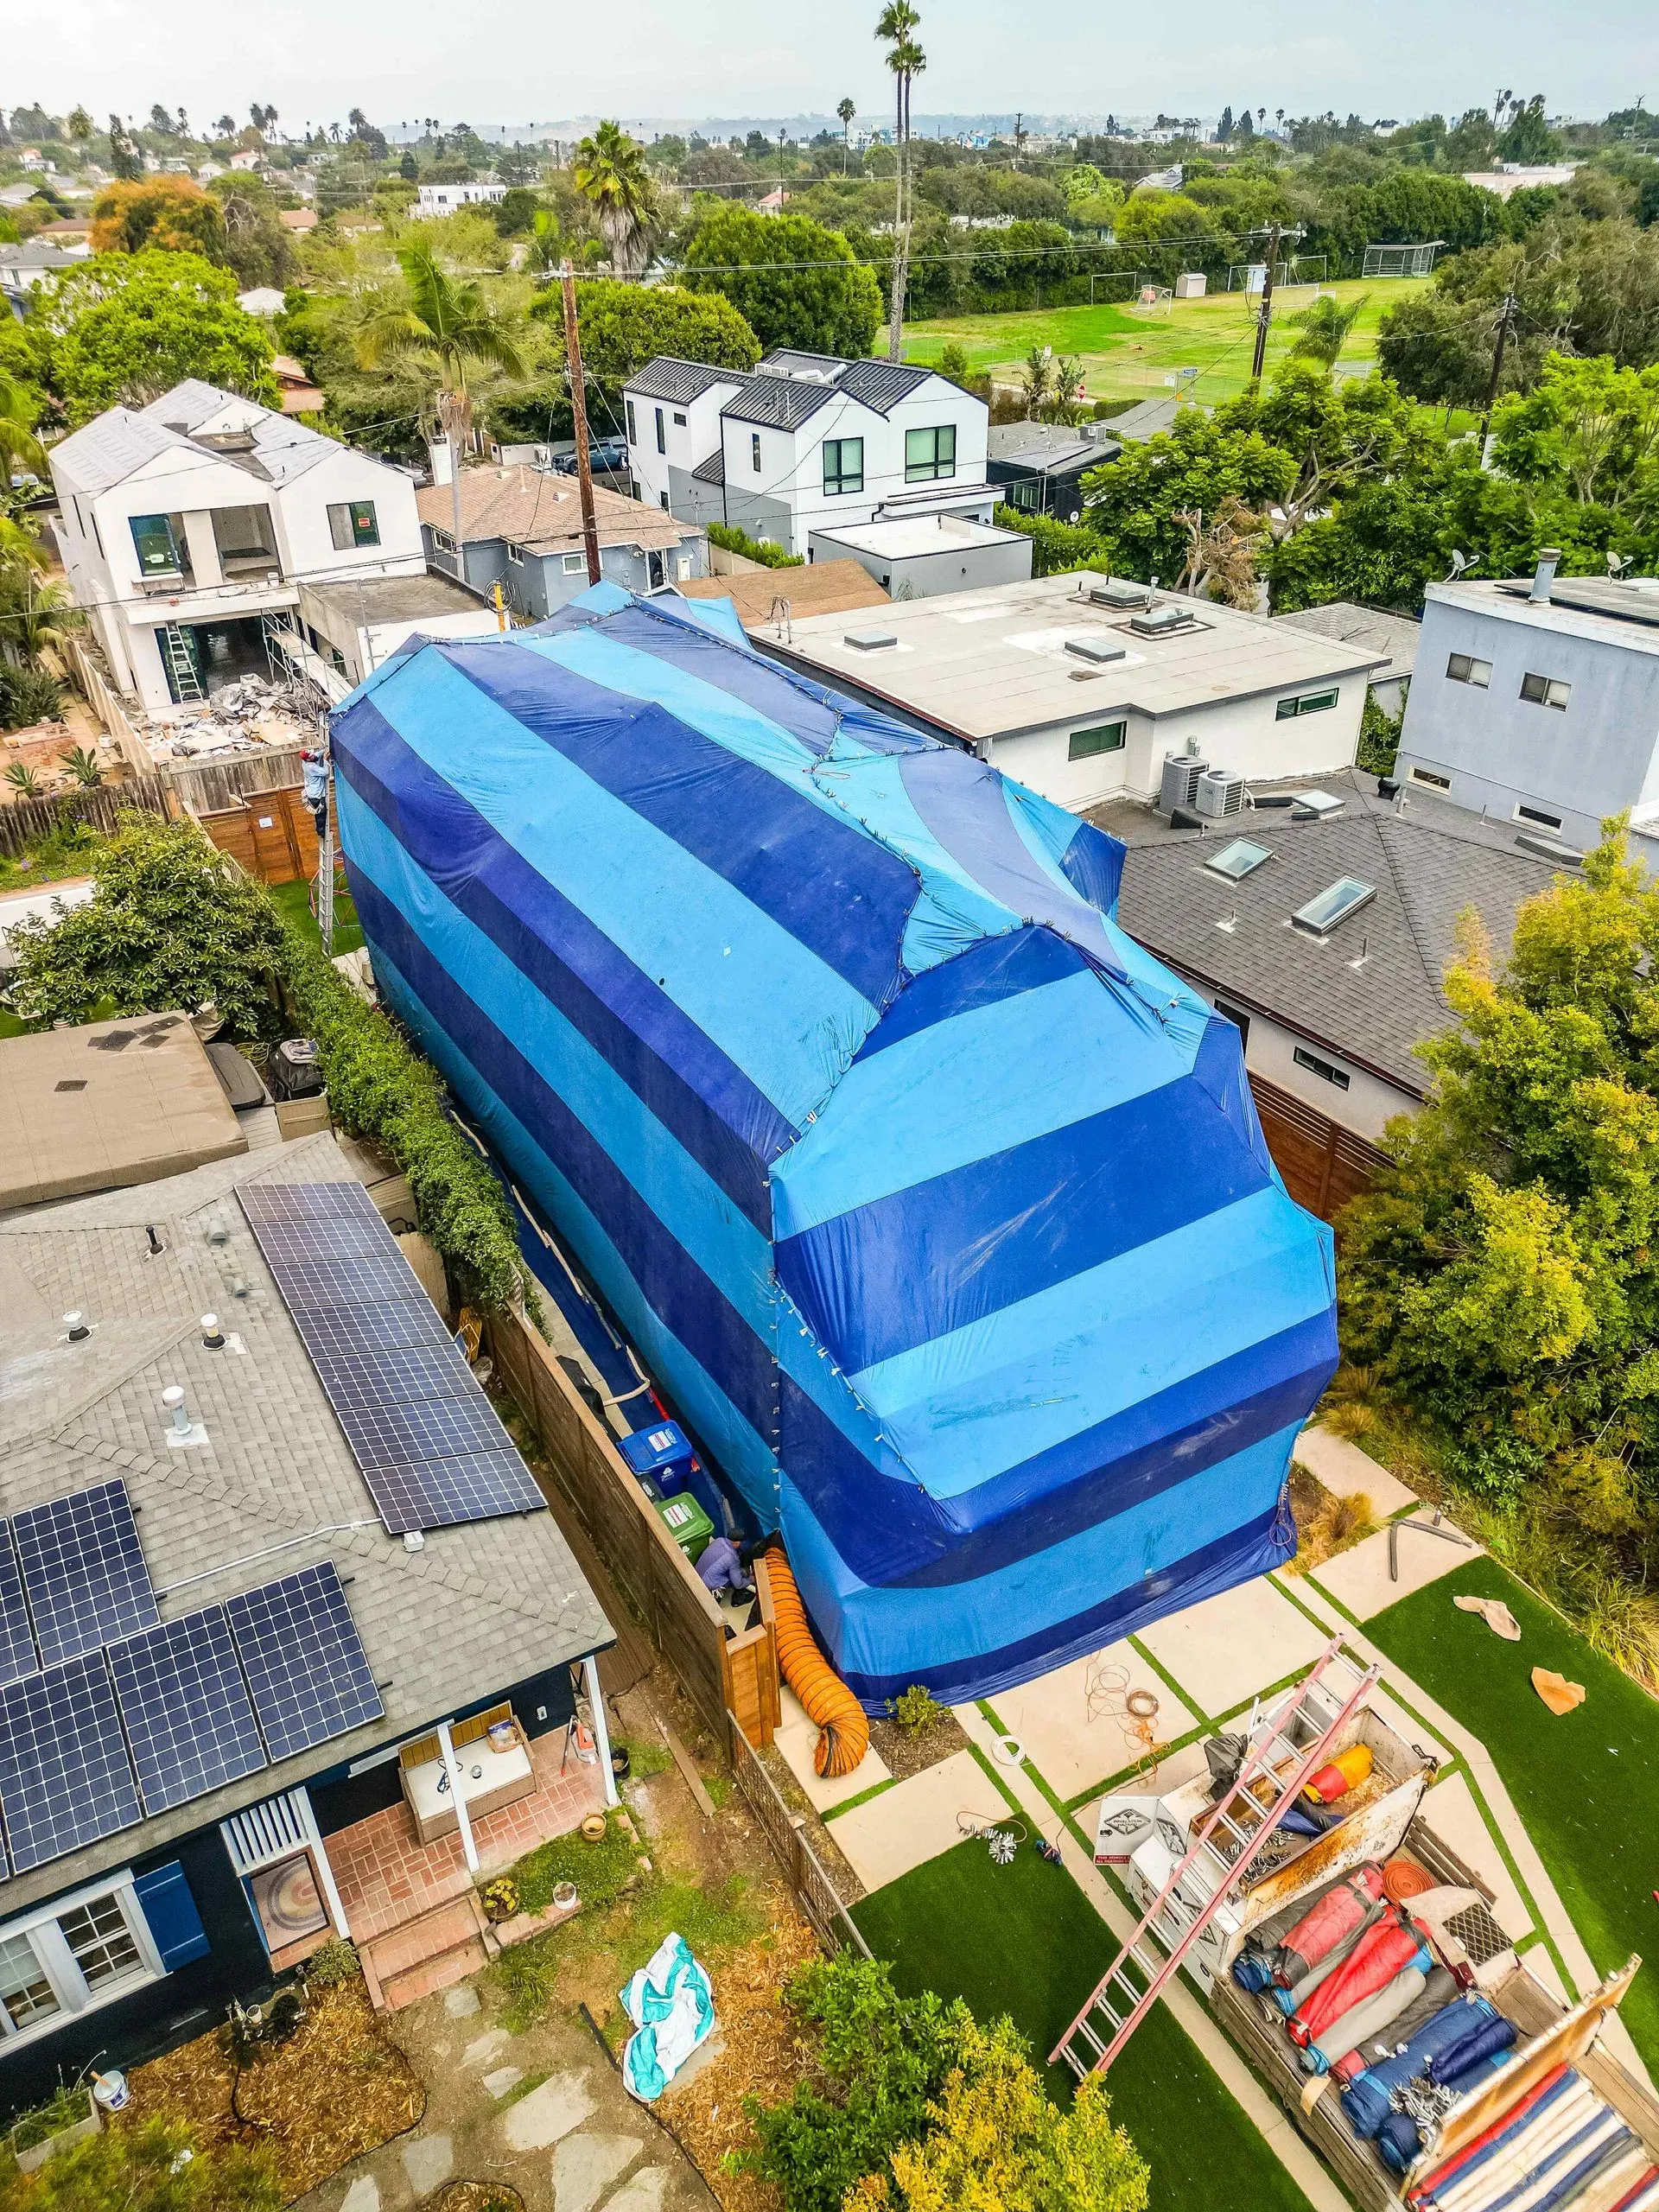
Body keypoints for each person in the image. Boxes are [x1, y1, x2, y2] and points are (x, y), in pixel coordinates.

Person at [300, 747, 327, 838]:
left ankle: (319, 830)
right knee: (321, 815)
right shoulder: (311, 767)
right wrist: (325, 760)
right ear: (308, 759)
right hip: (317, 795)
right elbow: (326, 772)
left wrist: (325, 750)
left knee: (318, 815)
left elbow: (316, 756)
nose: (313, 755)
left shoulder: (306, 761)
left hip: (312, 792)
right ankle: (322, 833)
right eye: (311, 755)